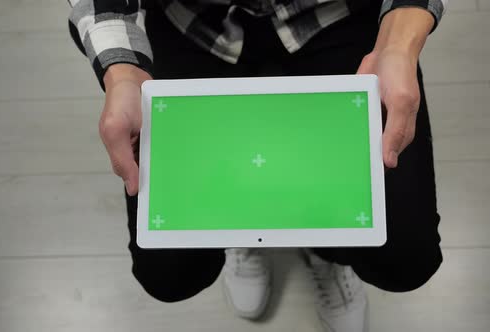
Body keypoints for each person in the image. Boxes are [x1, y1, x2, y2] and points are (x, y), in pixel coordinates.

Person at [68, 0, 446, 330]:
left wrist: (399, 42)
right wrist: (122, 72)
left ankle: (326, 249)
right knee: (169, 275)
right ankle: (243, 225)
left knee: (405, 259)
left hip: (338, 16)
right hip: (194, 24)